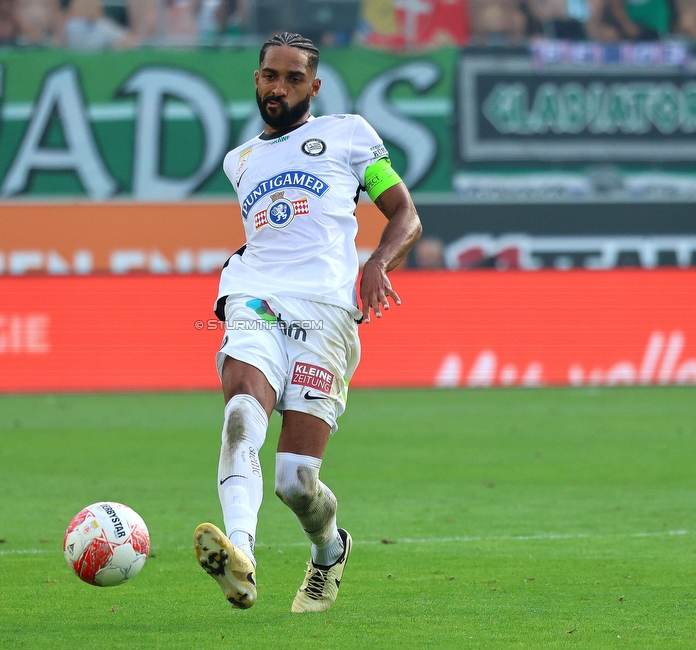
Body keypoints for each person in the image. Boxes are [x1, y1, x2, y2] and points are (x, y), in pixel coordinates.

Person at [193, 32, 421, 613]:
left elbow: (405, 215)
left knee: (295, 481)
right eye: (271, 75)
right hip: (257, 299)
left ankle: (328, 550)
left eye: (295, 78)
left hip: (326, 314)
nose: (280, 86)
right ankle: (239, 553)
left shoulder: (349, 136)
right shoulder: (239, 161)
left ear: (313, 87)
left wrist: (376, 263)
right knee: (242, 412)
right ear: (256, 79)